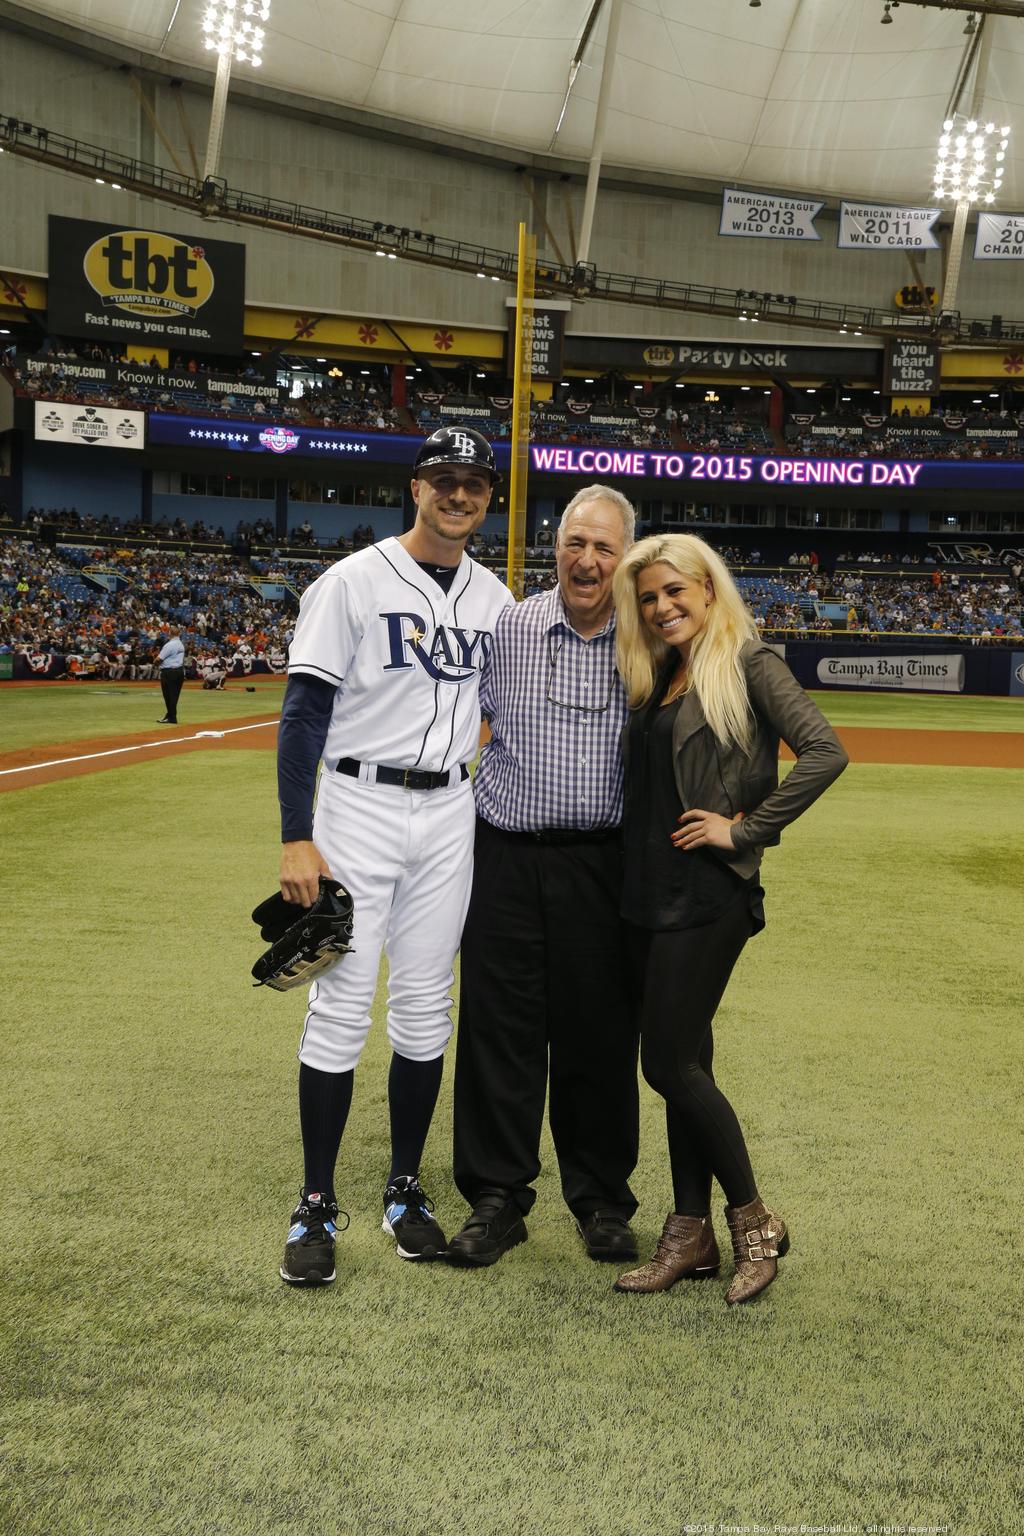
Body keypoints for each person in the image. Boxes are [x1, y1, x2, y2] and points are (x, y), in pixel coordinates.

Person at [275, 425, 512, 1287]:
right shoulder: (352, 582)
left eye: (475, 483)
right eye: (444, 479)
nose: (459, 495)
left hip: (450, 808)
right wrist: (297, 835)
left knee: (423, 1007)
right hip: (356, 808)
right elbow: (302, 716)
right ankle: (313, 1201)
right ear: (416, 487)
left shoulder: (495, 597)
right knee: (339, 1006)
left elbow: (500, 710)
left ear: (488, 496)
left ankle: (405, 1189)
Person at [610, 533, 848, 1305]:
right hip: (648, 891)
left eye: (676, 591)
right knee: (689, 1068)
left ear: (709, 589)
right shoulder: (666, 673)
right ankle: (690, 1236)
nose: (662, 606)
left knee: (666, 1065)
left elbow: (824, 751)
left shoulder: (748, 662)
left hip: (707, 895)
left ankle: (755, 1222)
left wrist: (742, 830)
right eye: (649, 597)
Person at [448, 484, 641, 1268]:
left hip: (603, 862)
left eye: (604, 547)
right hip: (506, 854)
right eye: (575, 543)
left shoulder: (650, 639)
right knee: (501, 1028)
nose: (587, 560)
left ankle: (600, 1201)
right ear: (554, 547)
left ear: (626, 556)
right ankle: (497, 1199)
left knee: (600, 1032)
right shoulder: (511, 625)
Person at [156, 631, 186, 723]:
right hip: (179, 671)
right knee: (174, 696)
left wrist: (155, 662)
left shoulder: (169, 645)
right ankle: (169, 715)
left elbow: (159, 659)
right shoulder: (181, 644)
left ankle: (172, 717)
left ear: (170, 634)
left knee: (168, 696)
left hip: (169, 672)